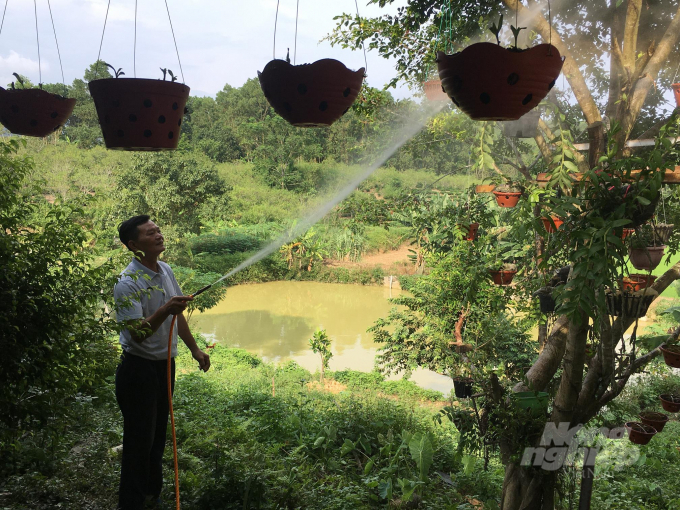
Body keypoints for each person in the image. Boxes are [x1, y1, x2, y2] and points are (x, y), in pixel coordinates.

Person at [113, 215, 211, 510]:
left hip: (164, 366)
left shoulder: (165, 270)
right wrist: (166, 308)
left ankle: (152, 494)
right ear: (134, 245)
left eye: (158, 229)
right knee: (138, 441)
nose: (158, 234)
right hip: (138, 370)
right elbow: (138, 335)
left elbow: (178, 315)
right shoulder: (127, 283)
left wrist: (194, 349)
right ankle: (130, 503)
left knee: (157, 437)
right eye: (150, 232)